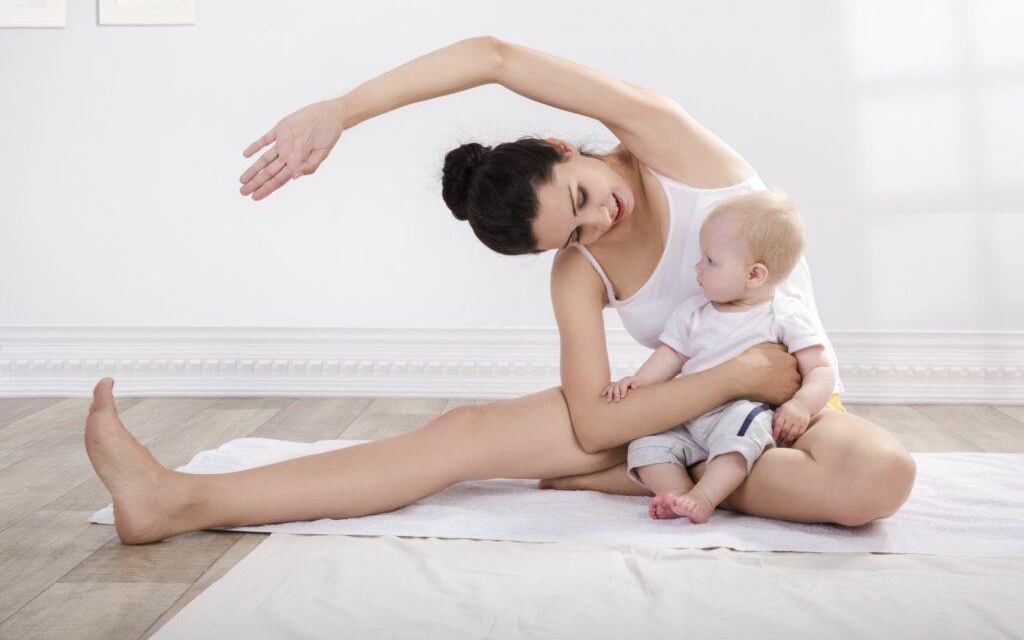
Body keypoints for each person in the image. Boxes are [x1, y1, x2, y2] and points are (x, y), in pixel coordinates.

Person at [84, 37, 916, 545]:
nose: (600, 219)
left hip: (784, 410)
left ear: (567, 146)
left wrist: (343, 108)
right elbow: (594, 418)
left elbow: (493, 57)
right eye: (576, 231)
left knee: (879, 479)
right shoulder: (577, 268)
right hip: (683, 406)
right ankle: (173, 500)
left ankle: (647, 477)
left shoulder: (666, 142)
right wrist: (734, 378)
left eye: (582, 195)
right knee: (465, 432)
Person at [602, 190, 835, 524]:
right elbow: (669, 356)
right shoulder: (693, 312)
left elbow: (820, 370)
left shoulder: (783, 315)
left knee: (739, 436)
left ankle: (705, 496)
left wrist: (801, 405)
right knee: (645, 444)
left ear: (754, 275)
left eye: (710, 261)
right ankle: (677, 494)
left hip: (741, 411)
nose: (698, 267)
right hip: (690, 411)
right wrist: (638, 381)